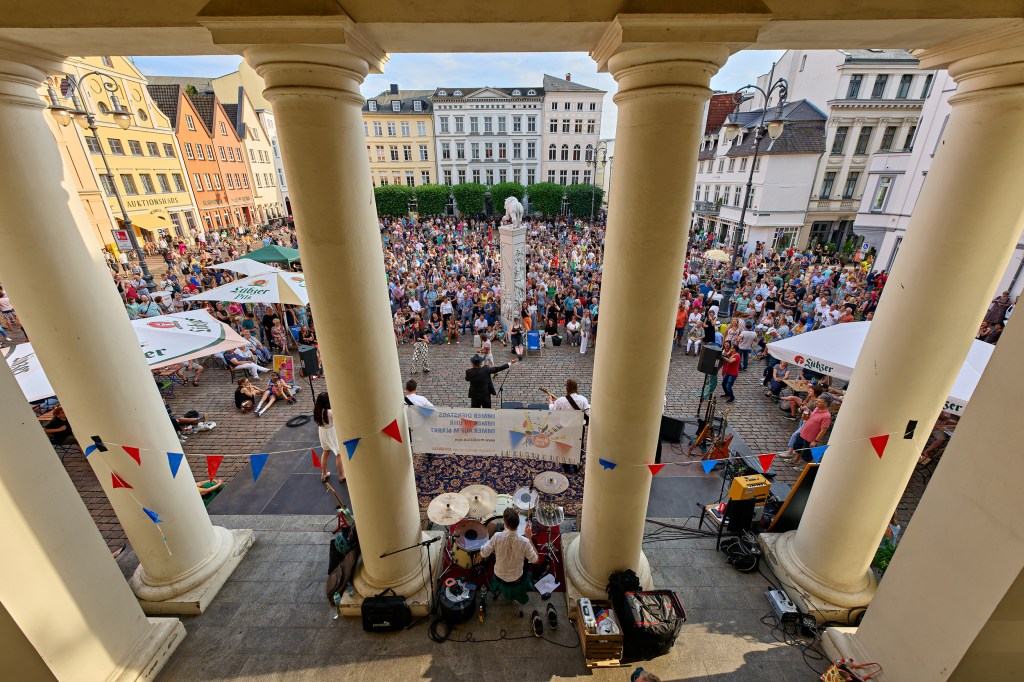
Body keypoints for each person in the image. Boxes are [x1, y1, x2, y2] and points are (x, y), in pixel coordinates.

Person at [479, 507, 540, 617]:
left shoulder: (497, 537)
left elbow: (483, 554)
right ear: (518, 523)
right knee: (527, 562)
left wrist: (486, 543)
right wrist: (530, 538)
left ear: (505, 524)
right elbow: (536, 561)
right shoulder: (525, 542)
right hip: (517, 579)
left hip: (499, 576)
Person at [789, 396, 833, 465]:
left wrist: (815, 441)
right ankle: (796, 460)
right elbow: (812, 415)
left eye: (819, 402)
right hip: (802, 433)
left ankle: (805, 467)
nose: (816, 402)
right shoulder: (817, 408)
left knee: (807, 455)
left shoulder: (826, 416)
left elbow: (823, 430)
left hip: (810, 438)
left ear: (825, 404)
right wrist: (807, 411)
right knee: (798, 448)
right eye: (817, 401)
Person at [314, 392, 343, 483]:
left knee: (326, 452)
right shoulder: (329, 412)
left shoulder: (317, 410)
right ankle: (341, 475)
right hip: (331, 433)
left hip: (322, 432)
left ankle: (323, 473)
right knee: (338, 453)